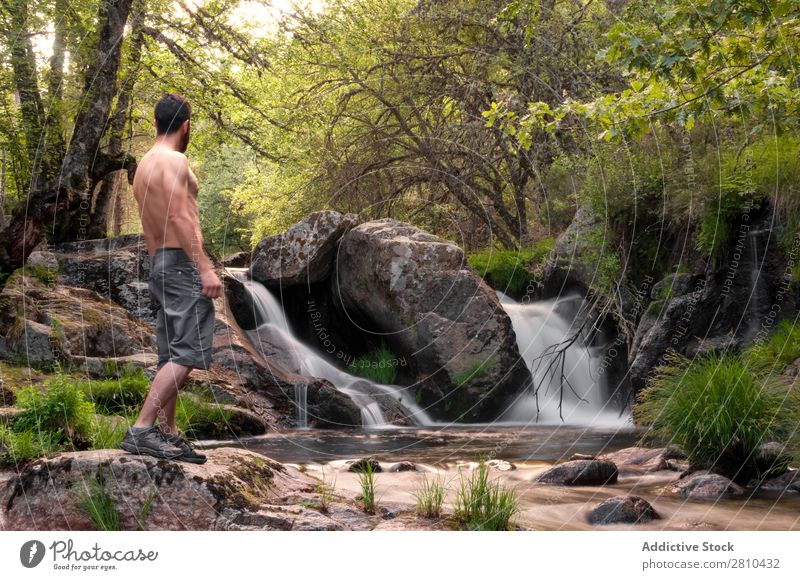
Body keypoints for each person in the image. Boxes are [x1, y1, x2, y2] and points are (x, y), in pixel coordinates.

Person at [120, 93, 222, 464]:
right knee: (189, 349)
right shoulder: (175, 160)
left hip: (159, 264)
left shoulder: (145, 164)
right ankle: (143, 430)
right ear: (186, 126)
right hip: (180, 262)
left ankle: (168, 431)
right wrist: (205, 268)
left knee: (171, 353)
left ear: (154, 124)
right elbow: (180, 219)